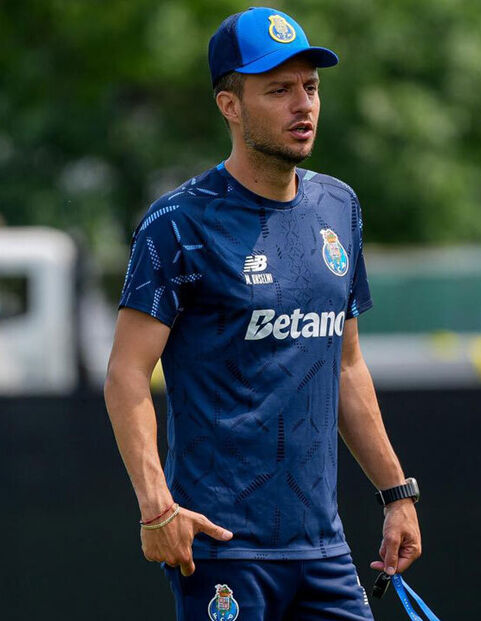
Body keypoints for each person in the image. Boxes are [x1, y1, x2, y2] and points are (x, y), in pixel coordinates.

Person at [103, 7, 421, 620]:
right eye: (278, 90)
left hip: (323, 550)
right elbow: (125, 375)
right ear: (230, 104)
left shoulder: (339, 207)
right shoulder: (178, 224)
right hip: (223, 551)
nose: (303, 105)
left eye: (310, 87)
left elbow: (346, 366)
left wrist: (396, 493)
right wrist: (155, 506)